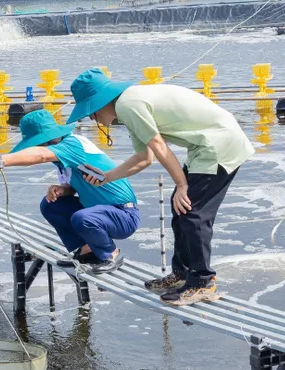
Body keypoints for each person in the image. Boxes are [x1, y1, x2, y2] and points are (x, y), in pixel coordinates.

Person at [67, 68, 254, 306]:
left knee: (192, 213)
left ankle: (202, 282)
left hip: (218, 144)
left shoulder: (128, 105)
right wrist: (108, 177)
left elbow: (158, 144)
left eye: (90, 112)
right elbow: (145, 158)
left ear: (99, 102)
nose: (91, 118)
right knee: (181, 210)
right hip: (205, 146)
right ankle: (182, 275)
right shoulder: (128, 105)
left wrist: (181, 183)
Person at [0, 109, 140, 274]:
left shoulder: (72, 144)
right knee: (50, 205)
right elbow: (75, 187)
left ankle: (110, 254)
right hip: (100, 214)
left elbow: (41, 155)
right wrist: (63, 190)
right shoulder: (62, 158)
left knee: (83, 218)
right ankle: (86, 251)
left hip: (123, 214)